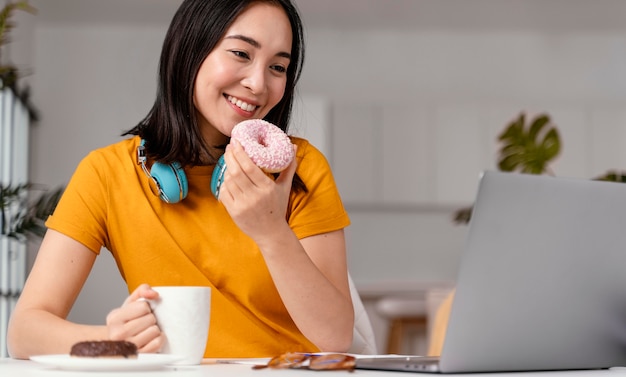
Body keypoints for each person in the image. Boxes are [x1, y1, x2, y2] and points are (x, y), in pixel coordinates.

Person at [8, 0, 354, 359]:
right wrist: (115, 337)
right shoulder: (106, 173)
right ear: (190, 51)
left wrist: (270, 231)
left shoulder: (300, 167)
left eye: (278, 67)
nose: (257, 83)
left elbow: (336, 337)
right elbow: (24, 332)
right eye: (240, 53)